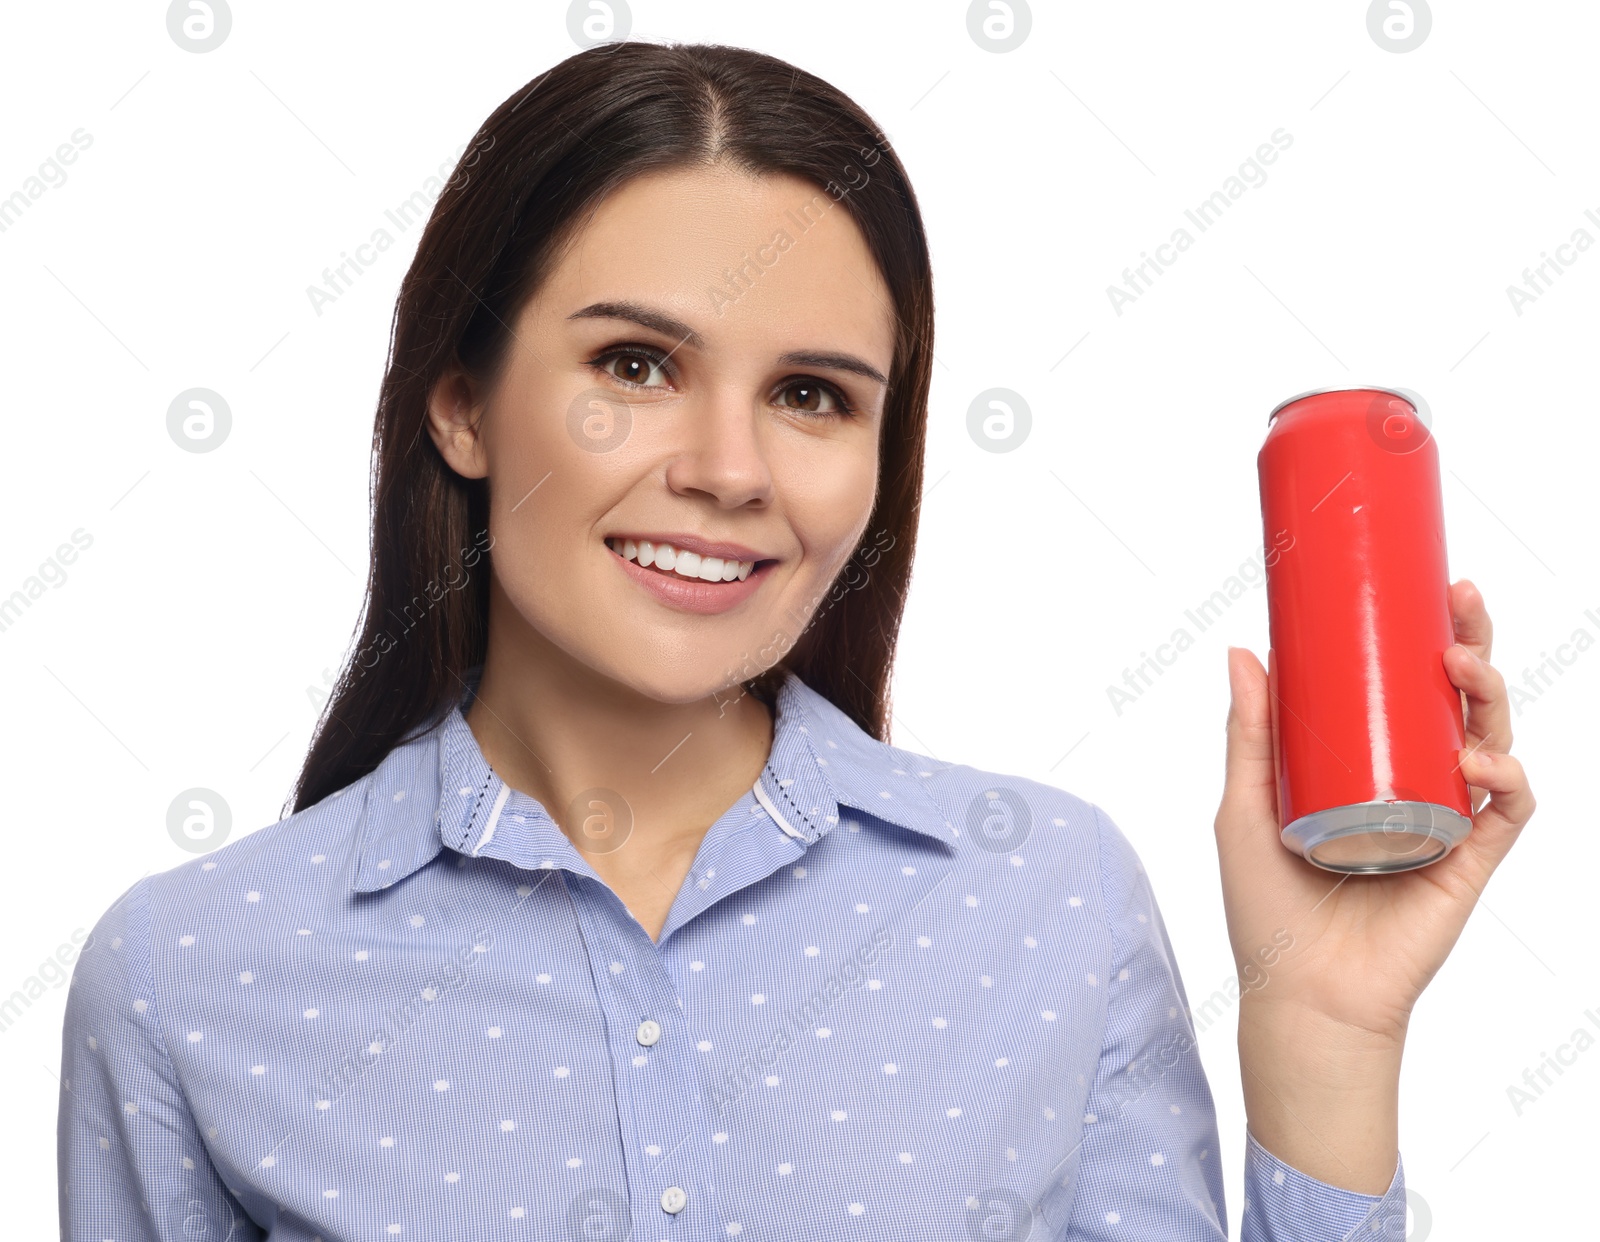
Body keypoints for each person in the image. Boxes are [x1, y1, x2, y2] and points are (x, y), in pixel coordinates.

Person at [58, 41, 1534, 1241]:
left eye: (814, 394)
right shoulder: (191, 972)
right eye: (633, 365)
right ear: (460, 405)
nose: (730, 467)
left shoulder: (1048, 899)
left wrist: (1327, 1036)